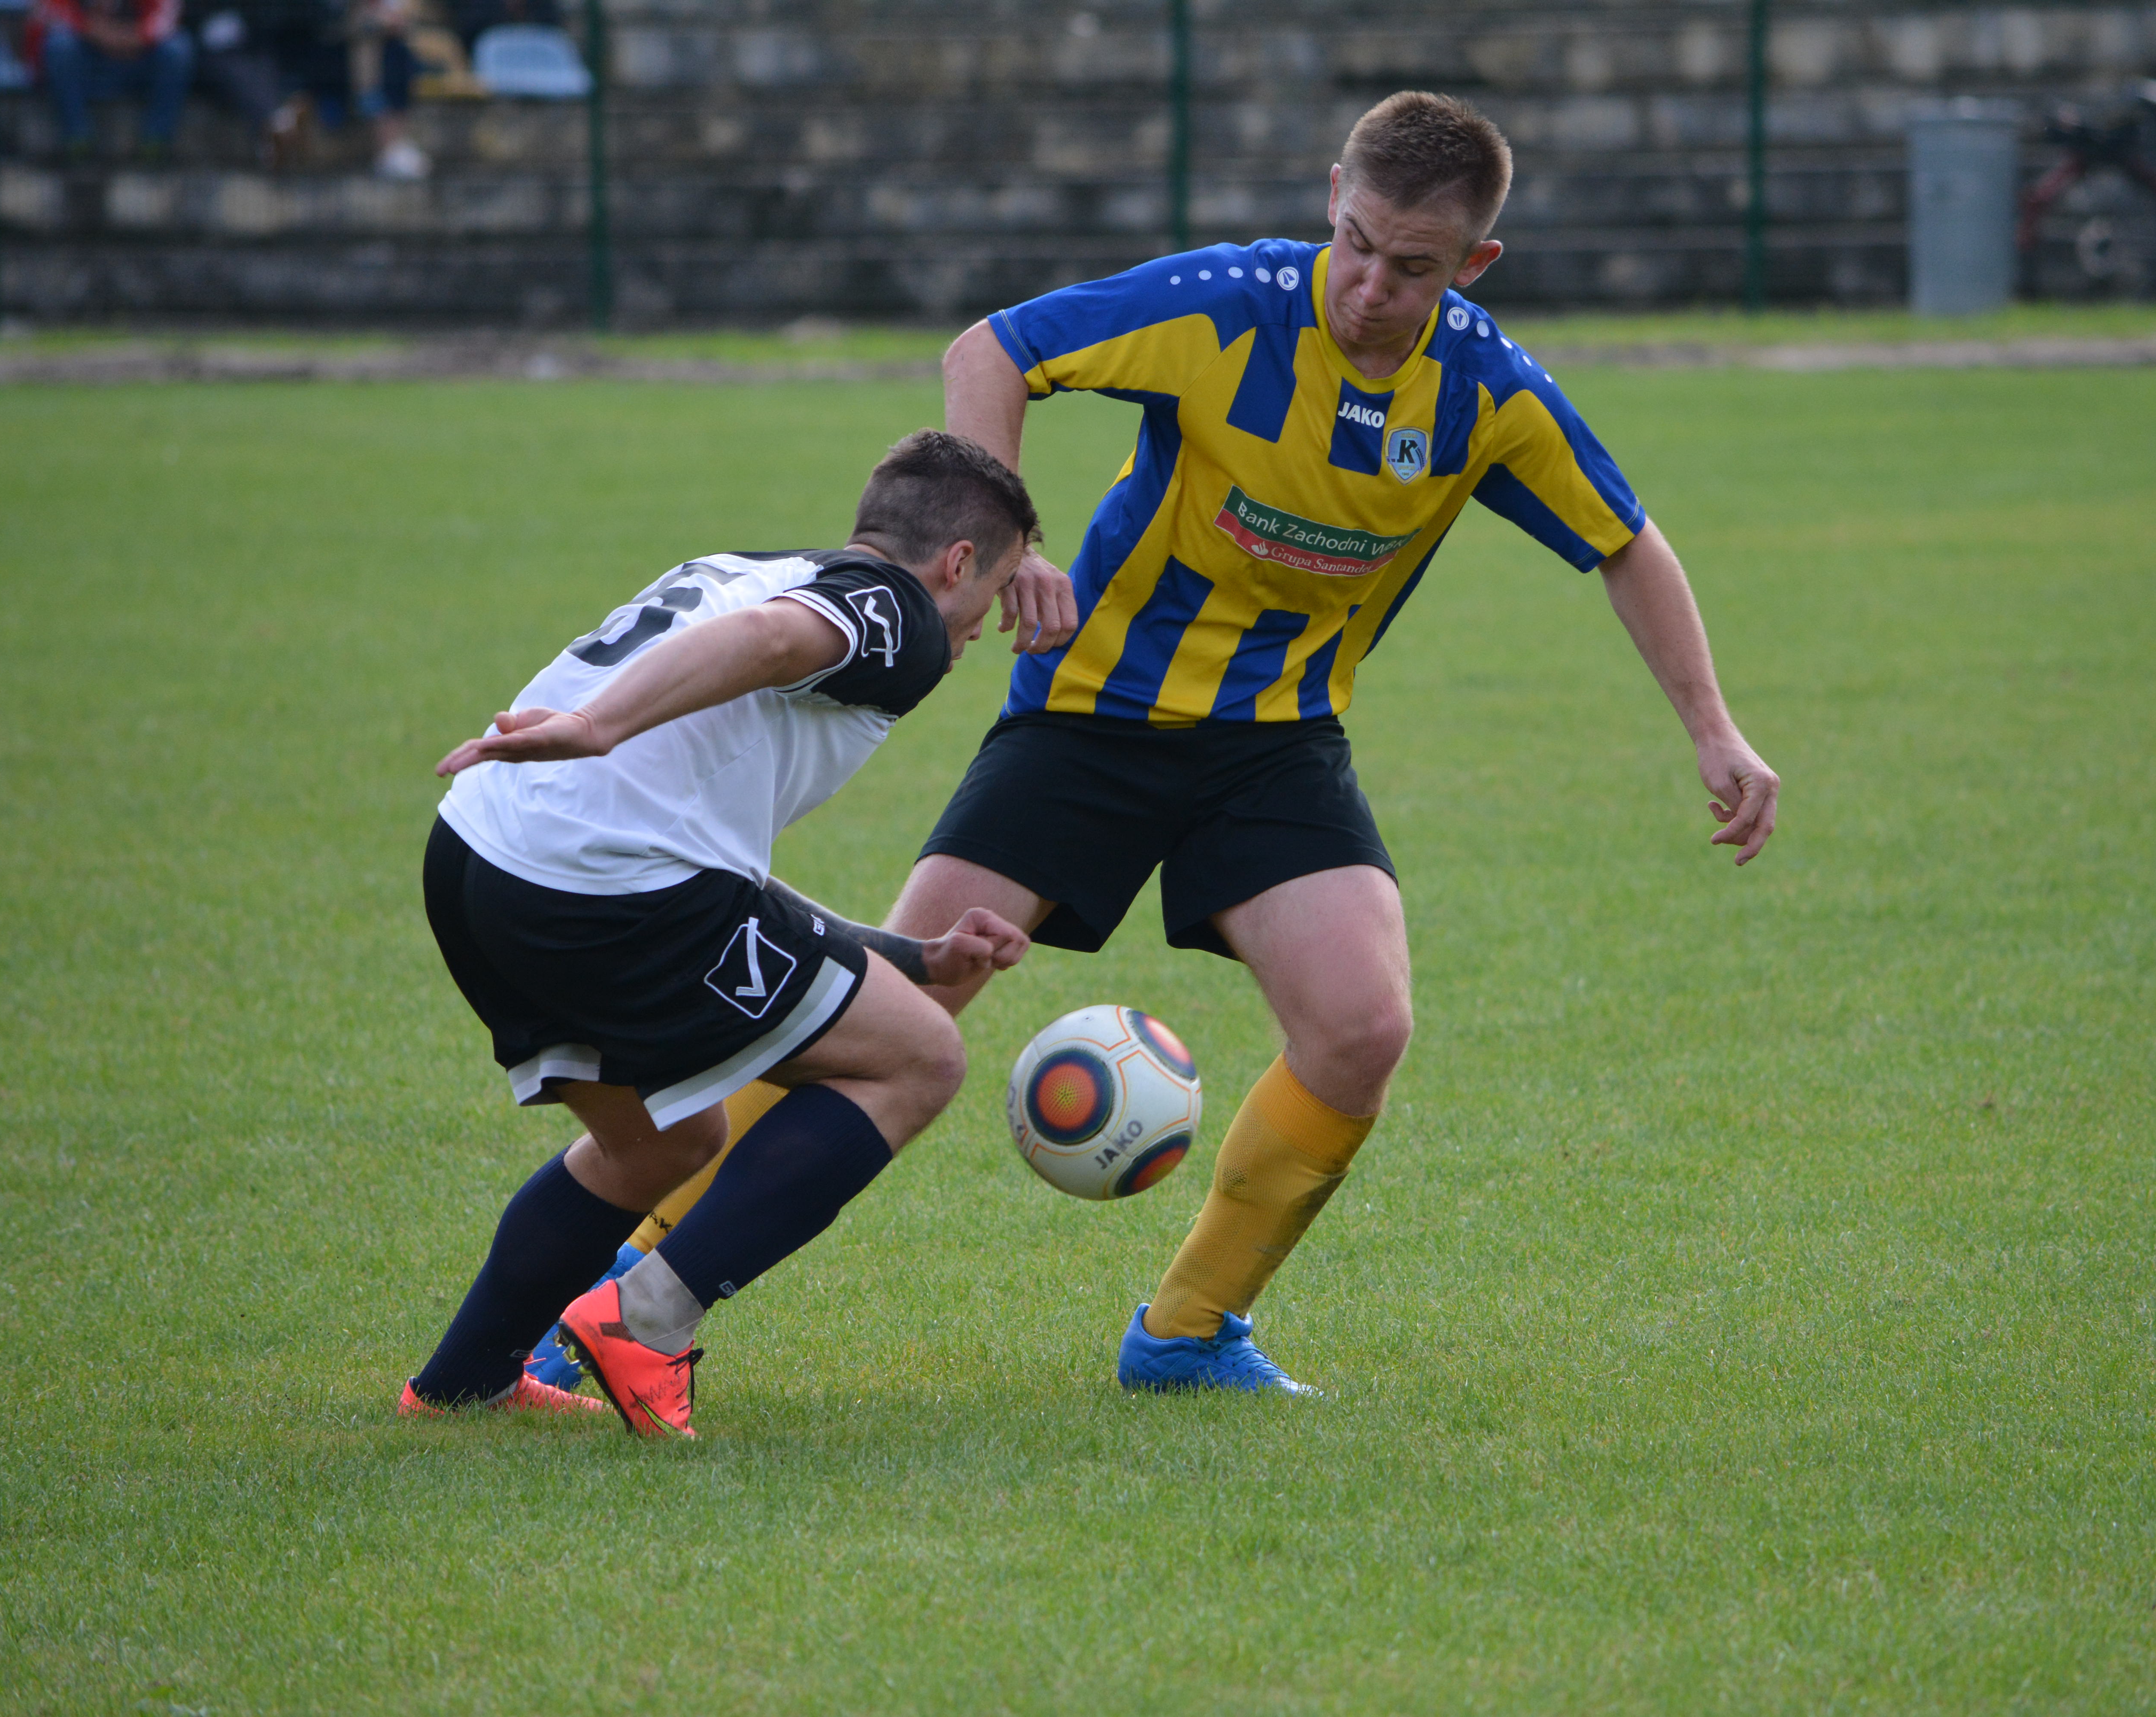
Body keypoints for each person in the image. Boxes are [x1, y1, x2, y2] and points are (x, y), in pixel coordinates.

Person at [536, 89, 1783, 1401]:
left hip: (1275, 743)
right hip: (1089, 716)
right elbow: (991, 349)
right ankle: (618, 1289)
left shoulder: (1486, 391)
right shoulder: (1228, 307)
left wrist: (1714, 729)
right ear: (1331, 200)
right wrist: (1010, 539)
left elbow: (1625, 542)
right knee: (889, 1009)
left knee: (1361, 1027)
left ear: (1474, 263)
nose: (1368, 287)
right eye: (1356, 244)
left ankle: (1186, 1335)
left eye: (1412, 268)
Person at [401, 430, 1037, 1439]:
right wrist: (600, 725)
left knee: (665, 1140)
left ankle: (463, 1380)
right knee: (920, 1057)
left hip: (480, 855)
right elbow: (777, 642)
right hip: (601, 885)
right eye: (994, 595)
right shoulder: (901, 612)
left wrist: (912, 956)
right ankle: (646, 1321)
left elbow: (722, 866)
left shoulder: (747, 567)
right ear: (957, 563)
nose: (975, 636)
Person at [31, 0, 193, 157]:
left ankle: (155, 142)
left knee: (177, 49)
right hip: (89, 56)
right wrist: (96, 31)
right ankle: (77, 140)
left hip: (139, 56)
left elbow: (168, 14)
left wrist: (136, 37)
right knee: (60, 45)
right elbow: (52, 10)